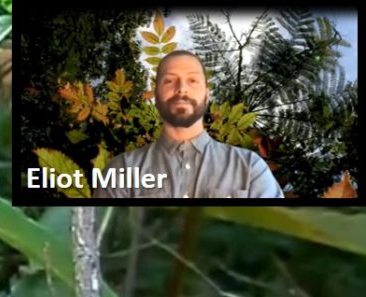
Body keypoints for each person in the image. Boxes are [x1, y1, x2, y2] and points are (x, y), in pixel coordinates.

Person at [92, 50, 284, 199]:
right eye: (169, 81)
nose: (181, 88)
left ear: (207, 95)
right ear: (156, 96)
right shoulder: (121, 171)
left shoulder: (250, 168)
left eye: (192, 80)